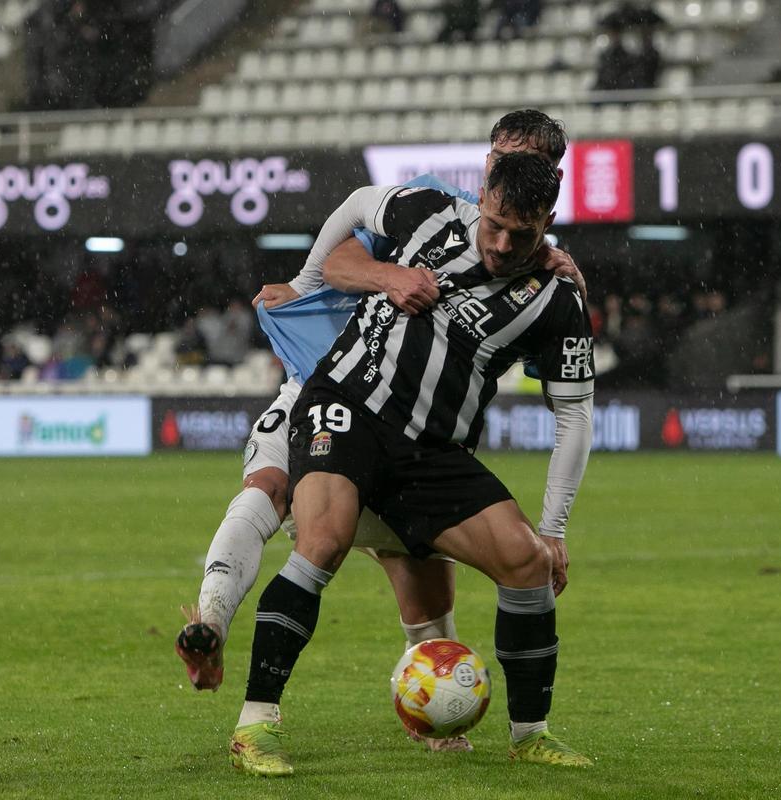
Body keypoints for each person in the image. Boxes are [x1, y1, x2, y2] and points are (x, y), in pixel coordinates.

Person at [176, 111, 585, 755]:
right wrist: (323, 282)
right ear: (488, 172)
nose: (504, 243)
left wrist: (554, 529)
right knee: (298, 516)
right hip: (338, 396)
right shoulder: (432, 206)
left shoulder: (554, 289)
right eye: (497, 222)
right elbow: (349, 231)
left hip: (433, 445)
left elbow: (572, 410)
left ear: (550, 199)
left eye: (523, 231)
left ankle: (520, 734)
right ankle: (240, 686)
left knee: (508, 562)